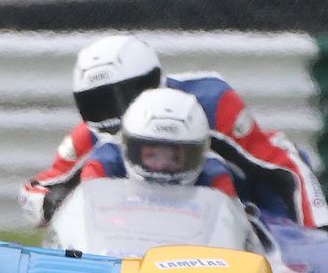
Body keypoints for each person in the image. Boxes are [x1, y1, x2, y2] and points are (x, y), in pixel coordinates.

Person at [20, 32, 328, 228]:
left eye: (123, 97)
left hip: (236, 218)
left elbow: (284, 165)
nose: (112, 112)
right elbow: (35, 189)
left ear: (152, 80)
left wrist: (315, 237)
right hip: (131, 232)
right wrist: (55, 204)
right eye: (97, 103)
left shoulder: (212, 104)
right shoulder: (95, 132)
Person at [65, 87, 239, 204]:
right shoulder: (104, 164)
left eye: (175, 157)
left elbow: (226, 228)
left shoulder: (214, 174)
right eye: (151, 155)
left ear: (198, 155)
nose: (162, 165)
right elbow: (86, 217)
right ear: (129, 148)